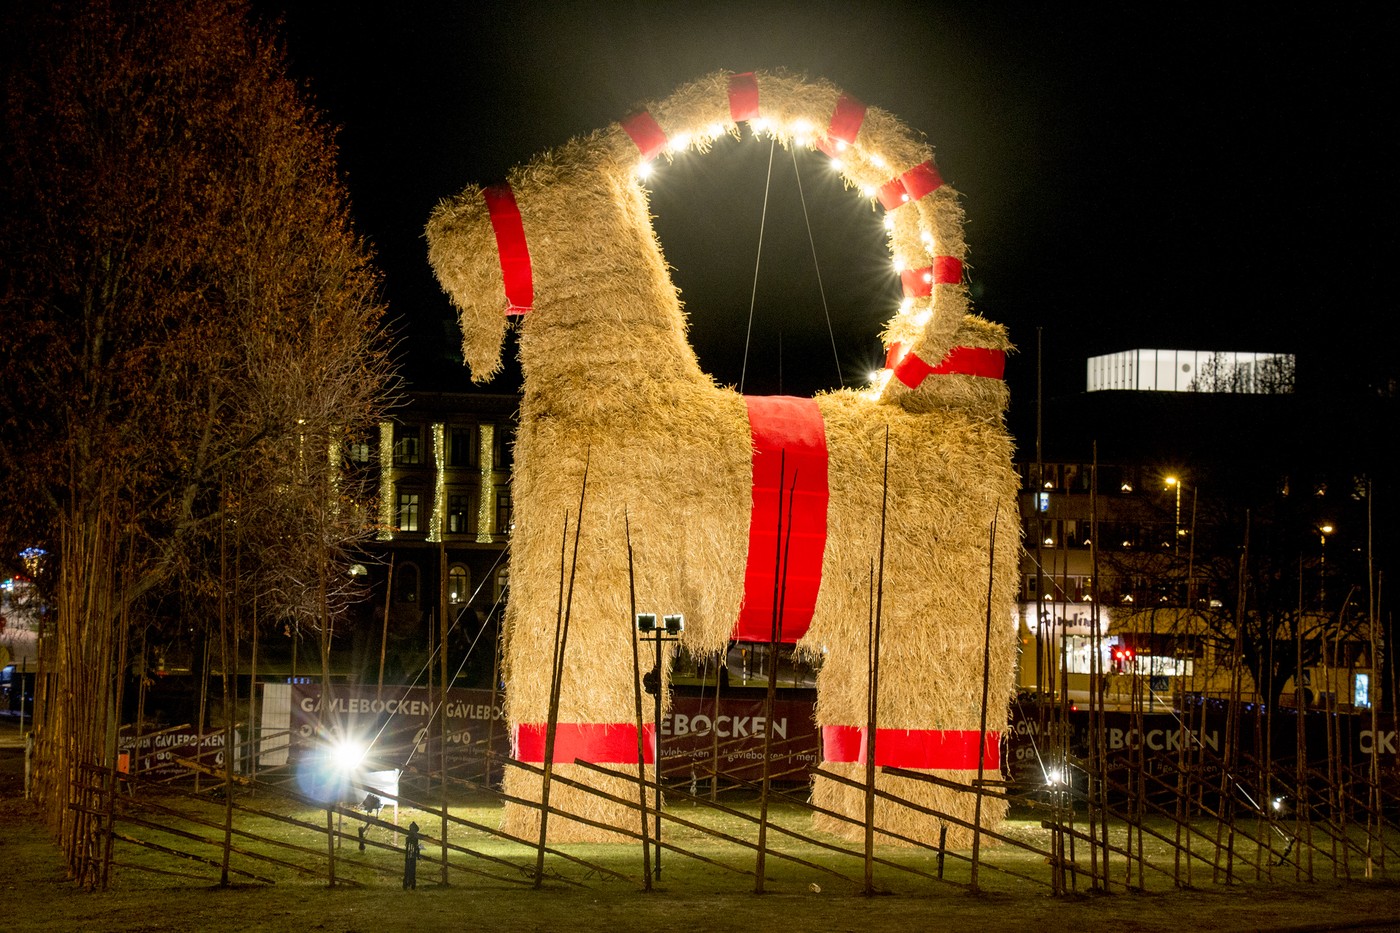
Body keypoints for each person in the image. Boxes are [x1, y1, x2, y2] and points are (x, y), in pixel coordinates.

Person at [403, 821, 421, 890]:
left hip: (409, 856)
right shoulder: (414, 838)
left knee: (409, 869)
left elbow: (415, 846)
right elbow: (416, 847)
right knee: (410, 869)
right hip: (411, 855)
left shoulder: (409, 838)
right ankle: (410, 882)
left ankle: (408, 882)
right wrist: (418, 854)